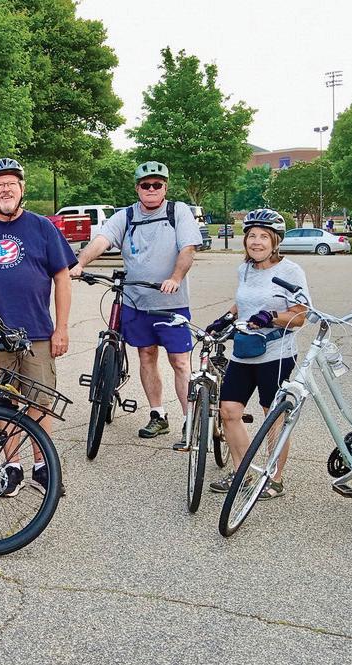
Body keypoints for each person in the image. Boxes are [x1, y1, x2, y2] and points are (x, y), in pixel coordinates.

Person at [0, 158, 76, 496]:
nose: (6, 189)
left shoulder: (42, 227)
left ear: (22, 189)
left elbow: (62, 278)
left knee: (40, 401)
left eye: (12, 183)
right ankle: (13, 466)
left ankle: (42, 465)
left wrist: (62, 328)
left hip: (36, 332)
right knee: (3, 403)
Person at [70, 161, 203, 441]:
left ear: (165, 187)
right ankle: (158, 414)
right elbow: (102, 240)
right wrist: (80, 263)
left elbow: (188, 249)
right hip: (136, 301)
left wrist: (176, 277)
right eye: (145, 185)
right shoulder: (127, 215)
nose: (151, 189)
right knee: (146, 355)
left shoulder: (178, 211)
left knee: (180, 361)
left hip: (171, 303)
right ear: (137, 188)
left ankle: (190, 420)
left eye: (157, 184)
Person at [203, 209, 308, 497]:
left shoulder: (290, 271)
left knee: (272, 417)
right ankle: (243, 474)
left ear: (275, 241)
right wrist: (226, 318)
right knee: (229, 411)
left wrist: (271, 316)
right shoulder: (245, 270)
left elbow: (301, 315)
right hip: (244, 351)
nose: (256, 242)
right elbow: (243, 302)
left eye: (264, 236)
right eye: (251, 236)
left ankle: (275, 479)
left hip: (276, 353)